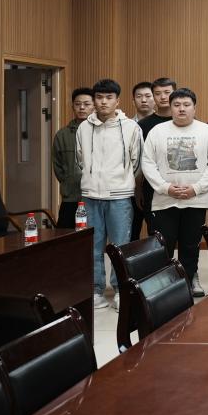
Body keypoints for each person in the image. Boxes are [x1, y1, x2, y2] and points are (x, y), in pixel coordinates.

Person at [141, 88, 208, 298]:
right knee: (163, 244)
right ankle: (164, 284)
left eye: (186, 105)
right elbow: (147, 163)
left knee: (190, 244)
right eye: (176, 105)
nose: (181, 109)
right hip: (164, 199)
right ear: (171, 108)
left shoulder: (207, 131)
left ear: (195, 108)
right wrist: (164, 187)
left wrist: (196, 188)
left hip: (195, 200)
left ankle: (189, 279)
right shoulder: (157, 131)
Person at [75, 79, 142, 310]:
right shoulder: (84, 128)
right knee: (92, 246)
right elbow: (80, 159)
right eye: (99, 97)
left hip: (120, 196)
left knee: (120, 245)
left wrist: (122, 180)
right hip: (90, 195)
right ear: (94, 100)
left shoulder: (131, 127)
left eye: (109, 97)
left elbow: (137, 162)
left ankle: (121, 289)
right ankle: (96, 290)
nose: (103, 102)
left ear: (117, 101)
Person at [136, 77, 176, 238]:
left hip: (181, 186)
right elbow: (140, 160)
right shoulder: (143, 125)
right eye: (158, 93)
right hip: (152, 188)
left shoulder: (185, 121)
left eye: (167, 92)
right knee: (157, 236)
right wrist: (138, 188)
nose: (163, 97)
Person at [51, 87, 93, 228]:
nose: (82, 108)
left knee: (93, 235)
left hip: (95, 197)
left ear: (94, 106)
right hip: (71, 197)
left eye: (86, 104)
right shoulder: (62, 135)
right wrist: (68, 181)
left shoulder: (101, 131)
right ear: (72, 106)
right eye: (77, 104)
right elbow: (58, 166)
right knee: (65, 234)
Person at [129, 81, 155, 239]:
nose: (144, 100)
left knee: (156, 233)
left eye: (148, 96)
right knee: (131, 233)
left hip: (155, 187)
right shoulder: (126, 126)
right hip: (131, 188)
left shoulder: (164, 125)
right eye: (139, 96)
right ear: (133, 101)